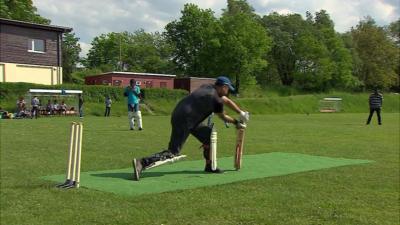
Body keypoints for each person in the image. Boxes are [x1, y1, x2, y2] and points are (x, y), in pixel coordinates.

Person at [132, 76, 249, 181]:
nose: (228, 92)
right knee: (173, 152)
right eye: (228, 89)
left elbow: (226, 100)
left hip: (186, 116)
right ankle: (142, 163)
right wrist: (236, 122)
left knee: (208, 136)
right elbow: (223, 116)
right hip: (185, 119)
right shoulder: (216, 100)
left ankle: (210, 165)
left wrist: (240, 112)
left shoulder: (207, 87)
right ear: (224, 87)